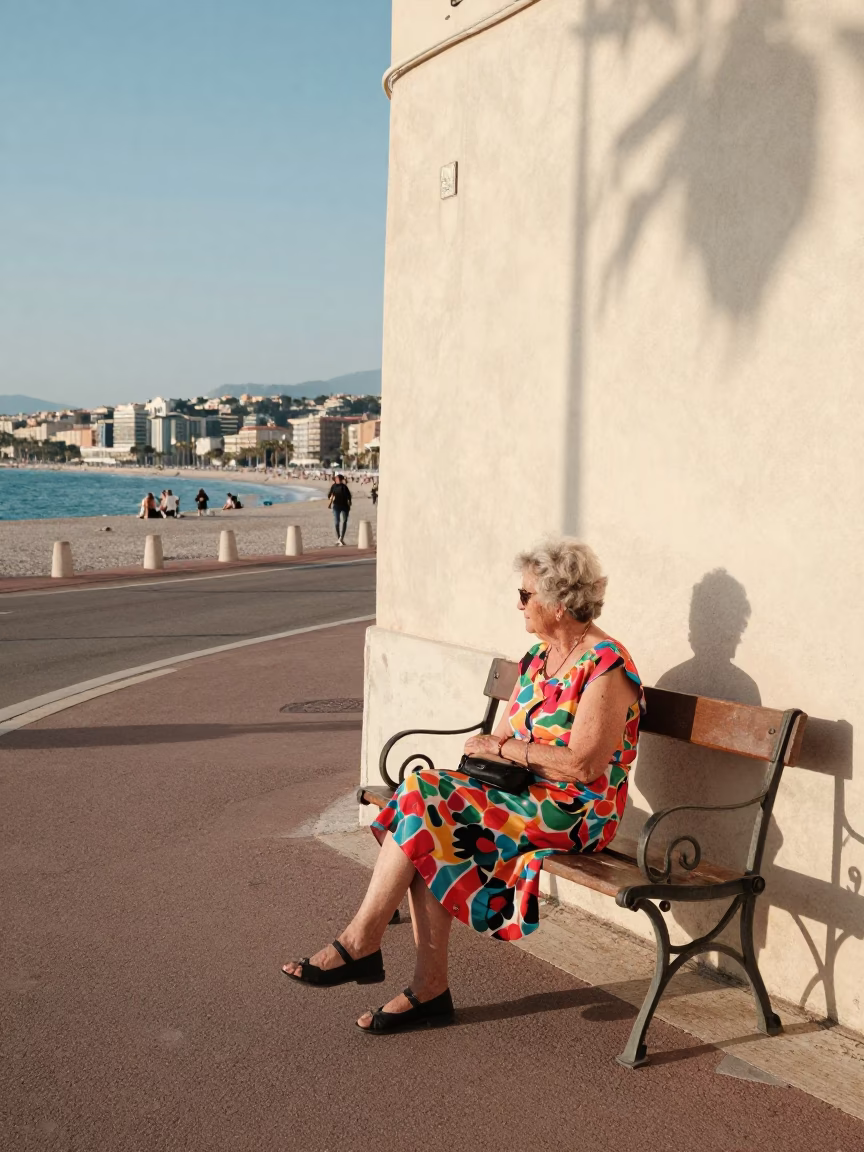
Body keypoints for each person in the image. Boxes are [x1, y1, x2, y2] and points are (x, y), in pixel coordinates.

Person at [282, 539, 644, 1033]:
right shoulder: (540, 657)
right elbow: (504, 734)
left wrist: (500, 751)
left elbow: (583, 767)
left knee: (428, 801)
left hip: (577, 810)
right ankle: (414, 978)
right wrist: (495, 747)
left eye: (525, 595)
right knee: (424, 799)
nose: (518, 604)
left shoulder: (607, 665)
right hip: (523, 793)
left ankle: (366, 945)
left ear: (559, 604)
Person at [328, 472, 352, 545]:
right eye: (335, 478)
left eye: (337, 478)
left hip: (345, 506)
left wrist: (349, 501)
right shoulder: (333, 486)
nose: (336, 479)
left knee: (344, 521)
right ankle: (339, 537)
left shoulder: (344, 487)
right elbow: (329, 495)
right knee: (336, 522)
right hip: (336, 506)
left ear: (340, 479)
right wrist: (330, 497)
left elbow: (349, 496)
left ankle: (342, 537)